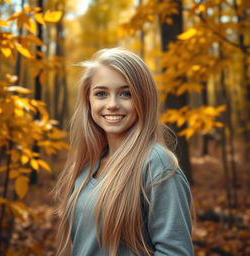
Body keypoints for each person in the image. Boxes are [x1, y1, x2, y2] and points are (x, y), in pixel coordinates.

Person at [52, 47, 194, 256]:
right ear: (88, 100)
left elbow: (176, 251)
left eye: (126, 94)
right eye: (101, 94)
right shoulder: (87, 165)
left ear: (143, 99)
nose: (112, 105)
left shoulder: (157, 164)